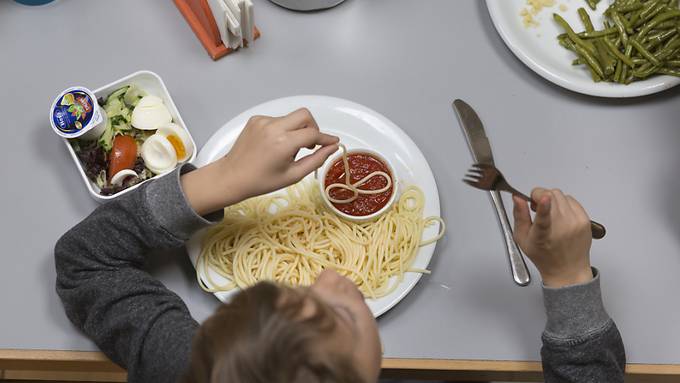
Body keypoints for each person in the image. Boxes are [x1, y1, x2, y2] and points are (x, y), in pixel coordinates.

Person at [55, 108, 625, 383]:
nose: (330, 278)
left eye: (276, 295)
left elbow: (84, 265)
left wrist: (220, 179)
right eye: (341, 316)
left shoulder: (181, 367)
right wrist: (569, 278)